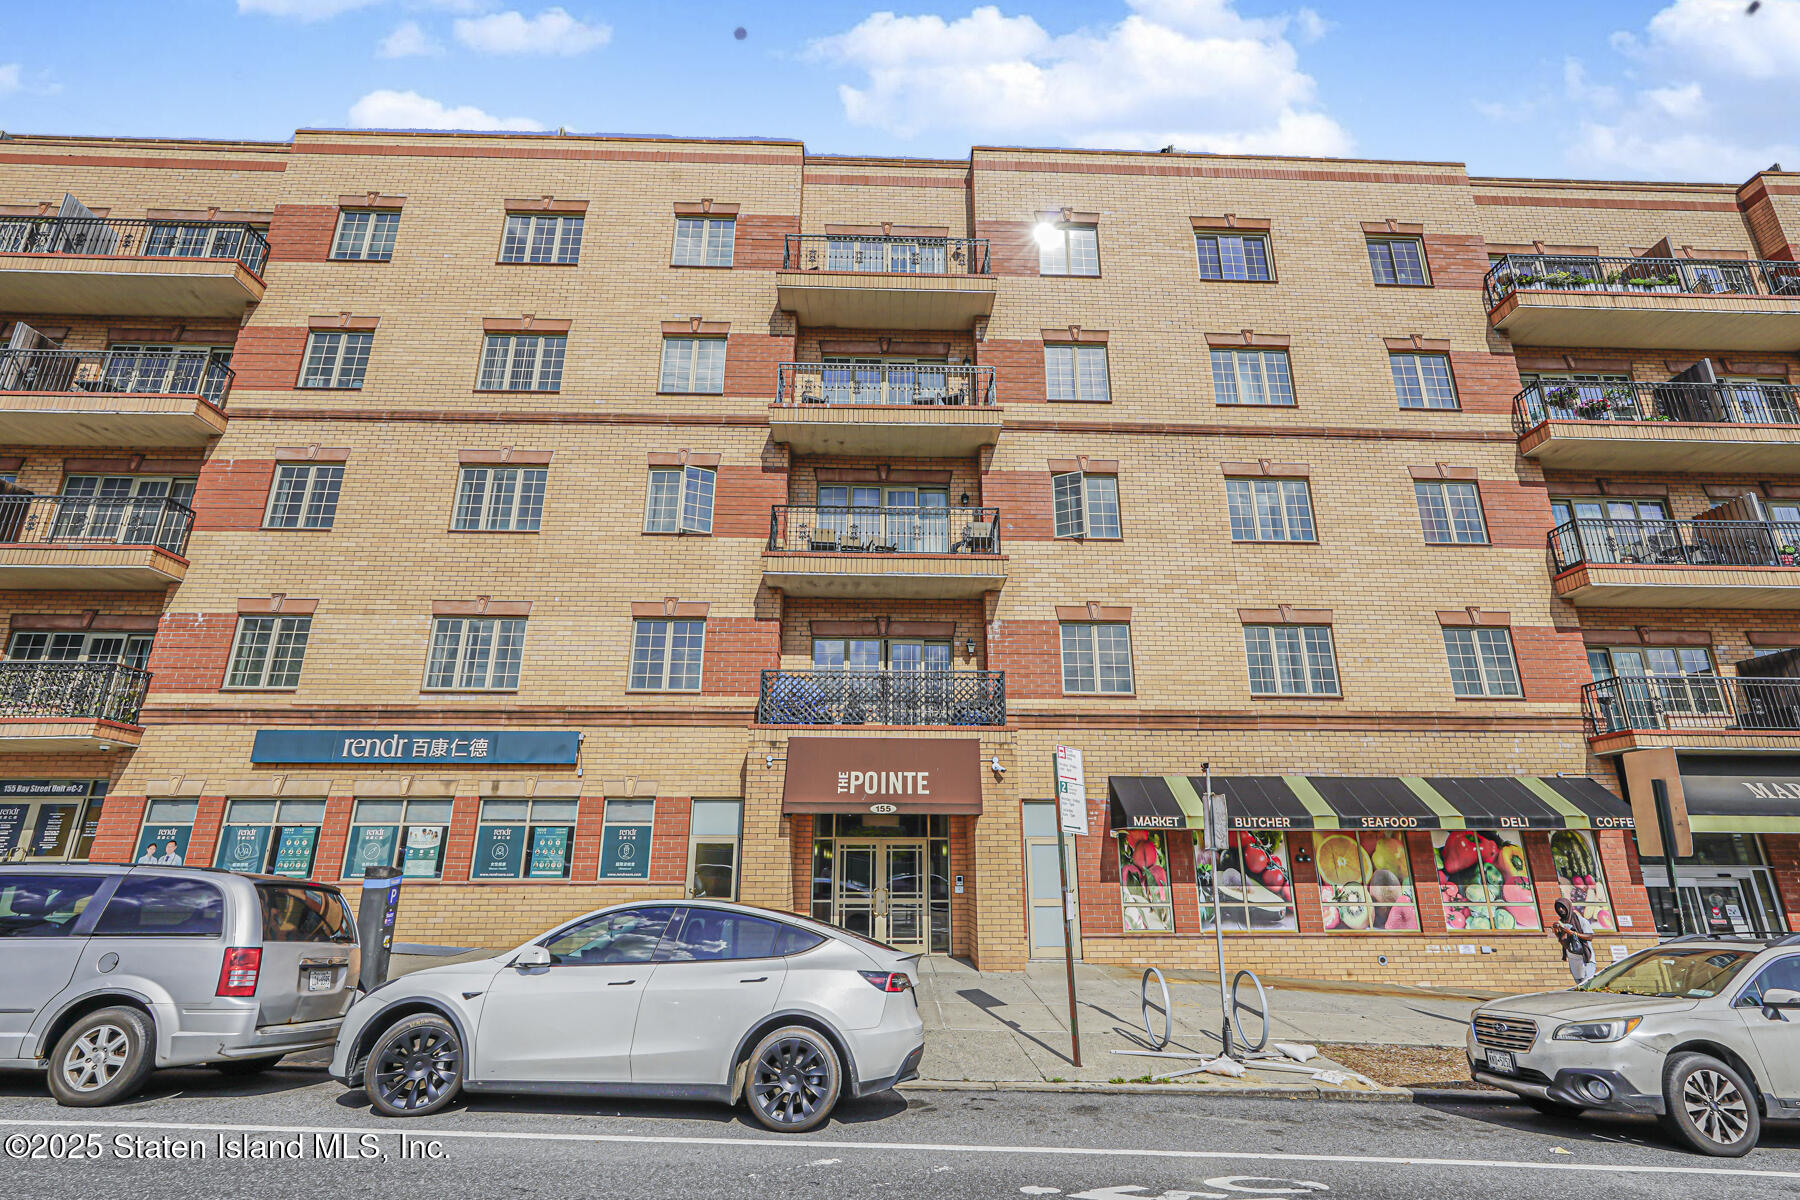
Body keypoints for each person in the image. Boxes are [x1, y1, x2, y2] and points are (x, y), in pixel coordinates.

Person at [1552, 897, 1595, 985]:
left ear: (1568, 907)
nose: (1560, 910)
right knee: (1579, 985)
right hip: (1573, 960)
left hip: (1586, 958)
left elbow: (1590, 936)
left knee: (1587, 984)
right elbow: (1564, 943)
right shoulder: (1561, 923)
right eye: (1558, 908)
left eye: (1562, 907)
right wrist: (1558, 933)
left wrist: (1573, 933)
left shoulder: (1581, 921)